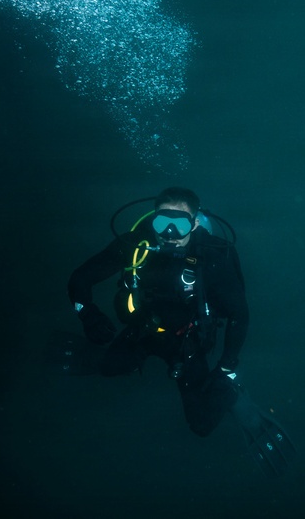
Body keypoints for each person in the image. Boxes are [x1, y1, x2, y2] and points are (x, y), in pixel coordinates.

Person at [66, 186, 249, 437]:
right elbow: (80, 278)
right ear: (153, 219)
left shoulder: (215, 254)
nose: (170, 234)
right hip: (146, 328)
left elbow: (239, 315)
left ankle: (230, 393)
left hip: (189, 341)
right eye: (162, 222)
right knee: (109, 368)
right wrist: (87, 314)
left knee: (201, 425)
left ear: (194, 224)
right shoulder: (135, 244)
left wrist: (226, 368)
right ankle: (129, 361)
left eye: (180, 225)